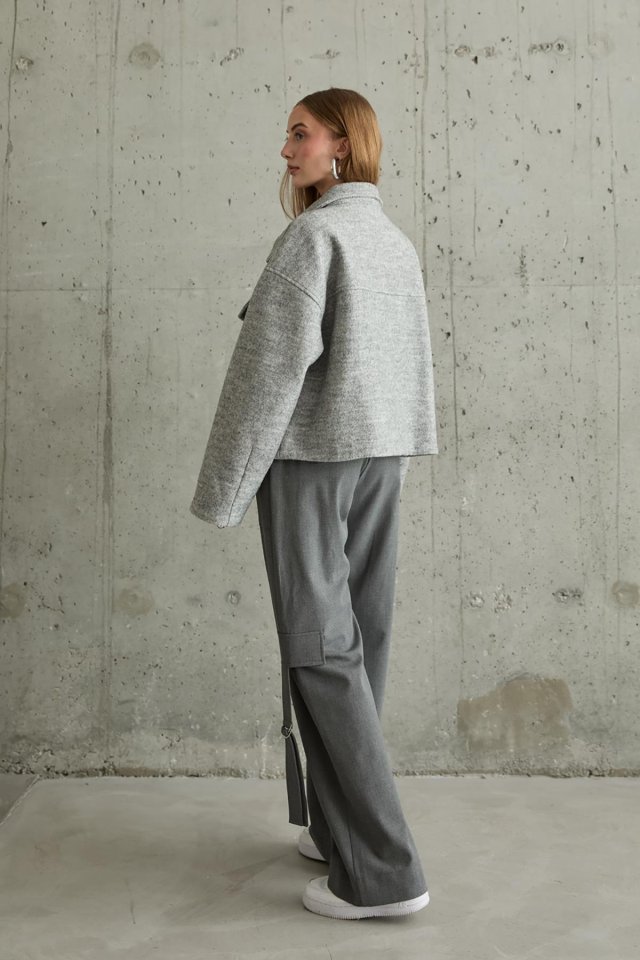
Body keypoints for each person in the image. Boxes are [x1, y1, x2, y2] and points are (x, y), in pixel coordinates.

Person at [190, 87, 438, 919]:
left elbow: (264, 376)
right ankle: (339, 830)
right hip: (381, 456)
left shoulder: (314, 237)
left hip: (312, 460)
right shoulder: (390, 240)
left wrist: (224, 491)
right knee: (360, 638)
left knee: (319, 646)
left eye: (300, 134)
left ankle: (382, 872)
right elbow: (411, 363)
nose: (287, 149)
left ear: (341, 145)